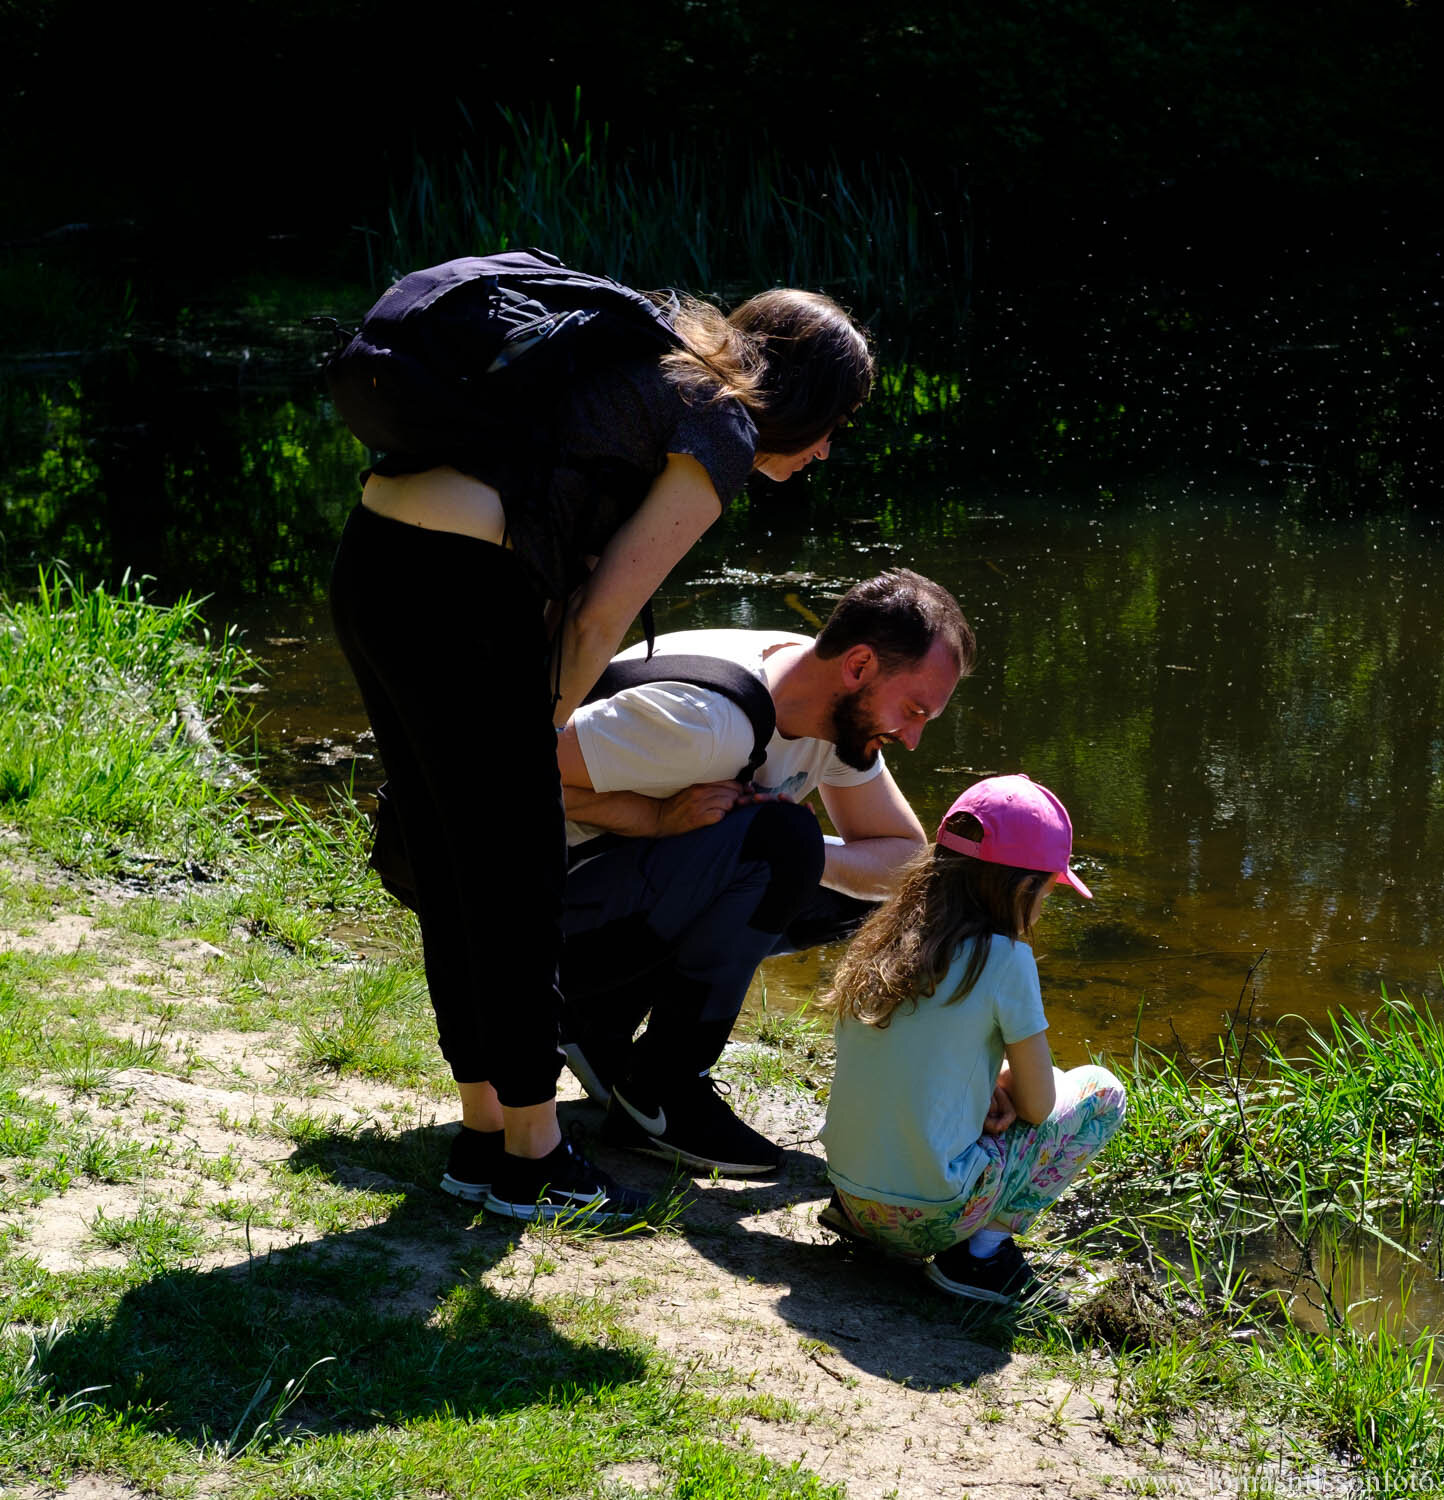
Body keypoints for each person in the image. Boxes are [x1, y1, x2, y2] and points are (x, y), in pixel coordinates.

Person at [328, 257, 874, 1226]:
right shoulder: (722, 425)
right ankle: (534, 1155)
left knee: (463, 870)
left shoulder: (661, 361)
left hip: (375, 564)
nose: (829, 449)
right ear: (804, 399)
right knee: (516, 873)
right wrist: (536, 739)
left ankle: (486, 1131)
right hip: (457, 588)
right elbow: (595, 623)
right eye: (836, 423)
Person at [555, 569, 976, 1176]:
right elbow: (493, 772)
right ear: (858, 666)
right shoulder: (706, 725)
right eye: (912, 711)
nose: (911, 739)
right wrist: (650, 817)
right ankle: (661, 1086)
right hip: (540, 918)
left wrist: (804, 856)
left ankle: (598, 1027)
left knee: (854, 885)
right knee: (781, 844)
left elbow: (904, 862)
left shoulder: (823, 699)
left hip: (630, 894)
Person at [819, 775, 1126, 1308]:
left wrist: (983, 1088)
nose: (1044, 907)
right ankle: (980, 1255)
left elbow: (915, 1062)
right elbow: (1038, 1106)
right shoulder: (1005, 960)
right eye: (1049, 891)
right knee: (1100, 1090)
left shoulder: (883, 939)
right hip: (930, 1218)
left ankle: (877, 1221)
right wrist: (1011, 1083)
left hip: (852, 1197)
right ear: (1022, 888)